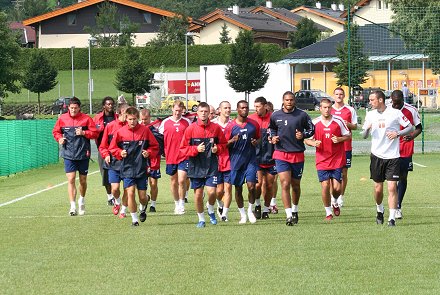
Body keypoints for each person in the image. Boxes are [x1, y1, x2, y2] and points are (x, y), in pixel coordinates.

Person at [362, 90, 412, 227]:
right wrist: (367, 129)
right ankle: (379, 209)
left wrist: (398, 133)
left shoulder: (395, 113)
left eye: (372, 100)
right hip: (377, 156)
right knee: (378, 189)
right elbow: (364, 135)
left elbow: (410, 127)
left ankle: (391, 218)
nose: (370, 102)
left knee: (392, 187)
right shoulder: (370, 114)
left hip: (393, 157)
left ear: (380, 100)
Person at [269, 91, 314, 226]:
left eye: (291, 100)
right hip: (281, 153)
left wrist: (303, 135)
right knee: (284, 183)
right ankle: (288, 215)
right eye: (287, 100)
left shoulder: (302, 115)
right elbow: (271, 129)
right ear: (283, 101)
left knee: (295, 186)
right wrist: (273, 137)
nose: (289, 102)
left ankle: (295, 209)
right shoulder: (275, 115)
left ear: (294, 101)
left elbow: (312, 129)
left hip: (297, 154)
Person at [109, 107, 159, 226]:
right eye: (130, 119)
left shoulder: (145, 131)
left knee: (142, 196)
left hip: (141, 168)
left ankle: (144, 205)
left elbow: (155, 147)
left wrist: (149, 153)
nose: (132, 121)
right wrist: (120, 153)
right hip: (127, 168)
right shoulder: (120, 132)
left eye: (135, 119)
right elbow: (112, 148)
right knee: (130, 193)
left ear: (138, 118)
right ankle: (134, 219)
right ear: (126, 118)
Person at [180, 102, 227, 227]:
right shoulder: (190, 129)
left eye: (206, 111)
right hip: (196, 166)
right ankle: (201, 219)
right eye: (201, 111)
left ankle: (210, 209)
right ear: (197, 113)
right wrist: (195, 149)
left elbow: (223, 144)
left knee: (212, 192)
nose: (204, 114)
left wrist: (218, 149)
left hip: (211, 165)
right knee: (198, 194)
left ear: (209, 113)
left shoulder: (215, 128)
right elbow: (183, 149)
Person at [305, 98, 350, 220]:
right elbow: (306, 139)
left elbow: (348, 135)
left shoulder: (338, 121)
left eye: (329, 107)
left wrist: (340, 139)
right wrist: (313, 143)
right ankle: (328, 212)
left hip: (337, 159)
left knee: (337, 188)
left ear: (331, 108)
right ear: (320, 108)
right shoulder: (314, 123)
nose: (327, 109)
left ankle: (334, 201)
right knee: (325, 185)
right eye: (324, 107)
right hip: (322, 159)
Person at [52, 97, 98, 216]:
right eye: (71, 108)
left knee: (83, 180)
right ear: (68, 108)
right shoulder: (62, 119)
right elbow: (56, 132)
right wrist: (60, 138)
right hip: (68, 154)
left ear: (79, 108)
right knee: (71, 179)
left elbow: (95, 133)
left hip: (83, 153)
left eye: (75, 108)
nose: (73, 110)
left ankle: (81, 200)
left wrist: (84, 133)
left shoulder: (86, 119)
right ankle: (72, 206)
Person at [225, 100, 260, 224]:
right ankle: (242, 214)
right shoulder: (230, 126)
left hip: (251, 161)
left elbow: (258, 138)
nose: (245, 110)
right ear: (237, 109)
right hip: (236, 162)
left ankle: (250, 210)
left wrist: (256, 143)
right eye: (242, 108)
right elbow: (224, 144)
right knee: (238, 189)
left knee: (251, 187)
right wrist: (232, 141)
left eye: (246, 107)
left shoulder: (254, 124)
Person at [390, 90, 423, 219]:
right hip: (389, 148)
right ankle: (390, 205)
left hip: (405, 148)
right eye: (394, 103)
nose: (396, 106)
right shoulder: (387, 109)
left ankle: (398, 206)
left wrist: (411, 136)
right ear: (391, 100)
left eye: (398, 103)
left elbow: (419, 128)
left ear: (403, 99)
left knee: (402, 177)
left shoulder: (411, 110)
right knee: (391, 179)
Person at [159, 100, 191, 214]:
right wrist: (162, 151)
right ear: (172, 109)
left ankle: (182, 203)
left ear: (183, 110)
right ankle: (176, 203)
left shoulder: (187, 122)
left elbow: (191, 136)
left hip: (184, 156)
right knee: (173, 181)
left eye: (180, 110)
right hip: (171, 156)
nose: (177, 113)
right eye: (176, 110)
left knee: (182, 180)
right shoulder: (165, 122)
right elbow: (159, 138)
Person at [99, 103, 129, 218]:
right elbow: (103, 146)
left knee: (128, 189)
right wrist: (106, 154)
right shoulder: (110, 126)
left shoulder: (132, 126)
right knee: (115, 189)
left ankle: (124, 210)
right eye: (126, 112)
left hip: (128, 164)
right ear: (120, 113)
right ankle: (117, 201)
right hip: (113, 163)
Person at [248, 97, 276, 219]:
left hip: (272, 157)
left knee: (270, 185)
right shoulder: (251, 119)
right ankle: (258, 205)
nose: (256, 109)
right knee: (258, 185)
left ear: (265, 106)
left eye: (258, 106)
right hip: (256, 157)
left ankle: (266, 209)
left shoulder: (274, 118)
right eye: (255, 106)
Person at [330, 87, 358, 207]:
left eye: (341, 94)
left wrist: (348, 124)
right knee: (332, 173)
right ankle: (333, 196)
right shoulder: (328, 109)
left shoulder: (350, 110)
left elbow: (355, 126)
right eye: (337, 94)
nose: (339, 96)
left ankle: (341, 196)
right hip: (331, 147)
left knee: (344, 172)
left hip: (346, 146)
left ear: (344, 95)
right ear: (333, 95)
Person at [93, 97, 118, 206]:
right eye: (108, 104)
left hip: (117, 150)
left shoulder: (117, 118)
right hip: (103, 150)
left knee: (120, 173)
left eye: (112, 104)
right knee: (105, 175)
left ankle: (118, 195)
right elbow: (92, 132)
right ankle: (110, 196)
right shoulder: (97, 118)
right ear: (104, 106)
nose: (110, 106)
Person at [211, 101, 233, 221]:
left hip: (230, 160)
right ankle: (219, 204)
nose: (228, 110)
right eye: (225, 108)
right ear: (219, 110)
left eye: (229, 108)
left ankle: (225, 214)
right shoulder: (213, 125)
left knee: (228, 188)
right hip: (216, 161)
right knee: (219, 191)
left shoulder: (233, 124)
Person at [140, 108, 162, 213]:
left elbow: (158, 146)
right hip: (141, 161)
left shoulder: (154, 130)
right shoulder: (137, 129)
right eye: (142, 119)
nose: (144, 121)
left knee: (153, 183)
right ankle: (144, 198)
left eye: (146, 119)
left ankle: (153, 204)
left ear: (149, 118)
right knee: (141, 184)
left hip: (153, 159)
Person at [266, 101, 279, 213]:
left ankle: (273, 203)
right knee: (262, 182)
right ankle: (264, 203)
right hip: (263, 155)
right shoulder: (262, 122)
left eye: (269, 110)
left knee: (274, 179)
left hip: (275, 154)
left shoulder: (276, 121)